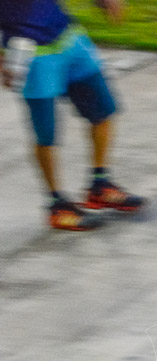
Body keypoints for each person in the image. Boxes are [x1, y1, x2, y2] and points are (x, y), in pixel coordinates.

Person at [0, 0, 144, 230]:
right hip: (33, 57)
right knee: (46, 135)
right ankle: (57, 205)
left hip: (69, 38)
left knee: (103, 112)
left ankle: (100, 185)